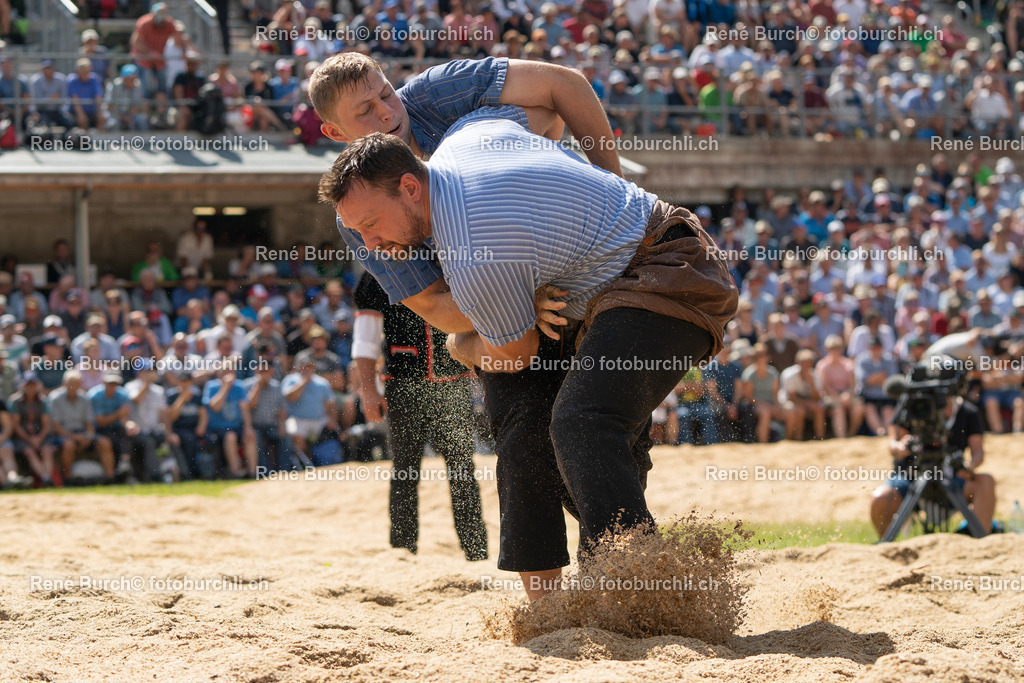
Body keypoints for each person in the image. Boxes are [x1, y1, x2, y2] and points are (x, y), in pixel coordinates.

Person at [318, 115, 736, 601]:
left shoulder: (474, 248)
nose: (370, 246)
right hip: (606, 290)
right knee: (549, 440)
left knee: (583, 423)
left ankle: (640, 592)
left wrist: (460, 346)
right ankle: (622, 581)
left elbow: (516, 354)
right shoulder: (460, 140)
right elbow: (546, 100)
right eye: (357, 232)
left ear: (410, 187)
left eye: (370, 225)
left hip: (672, 272)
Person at [352, 272, 487, 561]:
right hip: (403, 386)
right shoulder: (378, 271)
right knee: (405, 470)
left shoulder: (448, 259)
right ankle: (402, 550)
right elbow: (366, 338)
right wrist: (368, 390)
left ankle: (476, 550)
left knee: (462, 469)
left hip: (454, 383)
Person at [871, 363, 997, 537]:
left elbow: (978, 452)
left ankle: (979, 542)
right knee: (881, 497)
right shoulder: (911, 405)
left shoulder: (968, 412)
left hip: (952, 476)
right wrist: (900, 447)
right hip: (910, 477)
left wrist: (970, 467)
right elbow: (893, 441)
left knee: (985, 481)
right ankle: (886, 547)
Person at [48, 369, 115, 481]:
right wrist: (75, 437)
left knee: (105, 443)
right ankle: (68, 479)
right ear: (64, 384)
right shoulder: (55, 398)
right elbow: (56, 427)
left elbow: (89, 423)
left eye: (77, 384)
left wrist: (88, 436)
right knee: (69, 445)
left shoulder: (84, 398)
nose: (74, 387)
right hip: (63, 435)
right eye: (71, 384)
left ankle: (110, 478)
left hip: (82, 433)